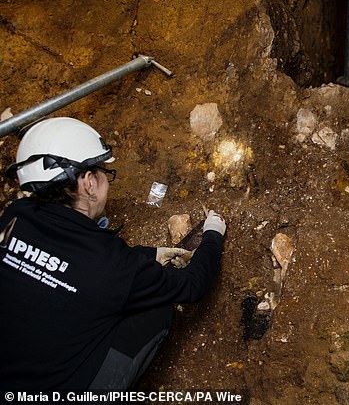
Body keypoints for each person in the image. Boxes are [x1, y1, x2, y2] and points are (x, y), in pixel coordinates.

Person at [0, 117, 226, 392]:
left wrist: (149, 254)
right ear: (87, 183)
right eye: (101, 172)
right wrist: (213, 235)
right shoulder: (110, 266)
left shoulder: (11, 220)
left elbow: (72, 263)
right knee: (157, 311)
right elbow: (192, 285)